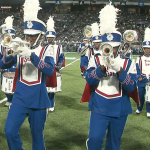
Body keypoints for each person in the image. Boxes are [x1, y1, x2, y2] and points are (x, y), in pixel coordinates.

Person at [0, 0, 55, 149]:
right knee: (10, 131)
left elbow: (49, 70)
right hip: (20, 97)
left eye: (33, 35)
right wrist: (10, 52)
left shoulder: (47, 50)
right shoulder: (21, 46)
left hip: (38, 98)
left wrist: (31, 55)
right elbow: (2, 65)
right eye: (27, 35)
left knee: (37, 137)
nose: (29, 38)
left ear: (40, 35)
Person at [82, 3, 137, 150]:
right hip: (99, 104)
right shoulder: (96, 59)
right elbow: (89, 80)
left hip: (120, 107)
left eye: (115, 46)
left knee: (113, 144)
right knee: (94, 140)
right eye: (108, 45)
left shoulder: (128, 63)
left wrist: (119, 70)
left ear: (120, 46)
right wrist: (101, 68)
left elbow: (131, 87)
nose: (111, 49)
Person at [46, 16, 65, 112]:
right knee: (45, 88)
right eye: (48, 37)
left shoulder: (58, 47)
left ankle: (51, 104)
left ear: (54, 38)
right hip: (45, 69)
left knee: (52, 89)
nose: (50, 39)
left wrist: (60, 65)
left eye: (51, 37)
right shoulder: (43, 46)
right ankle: (45, 104)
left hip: (54, 69)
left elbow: (61, 57)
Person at [0, 16, 17, 108]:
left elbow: (16, 58)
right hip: (4, 67)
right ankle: (9, 99)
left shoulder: (16, 44)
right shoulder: (1, 46)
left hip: (13, 67)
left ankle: (13, 100)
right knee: (4, 83)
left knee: (13, 84)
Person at [135, 27, 150, 118]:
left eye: (149, 48)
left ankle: (149, 110)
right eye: (146, 48)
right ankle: (139, 108)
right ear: (143, 49)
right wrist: (139, 76)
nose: (147, 50)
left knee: (149, 96)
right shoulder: (139, 58)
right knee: (140, 95)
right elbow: (137, 69)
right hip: (141, 80)